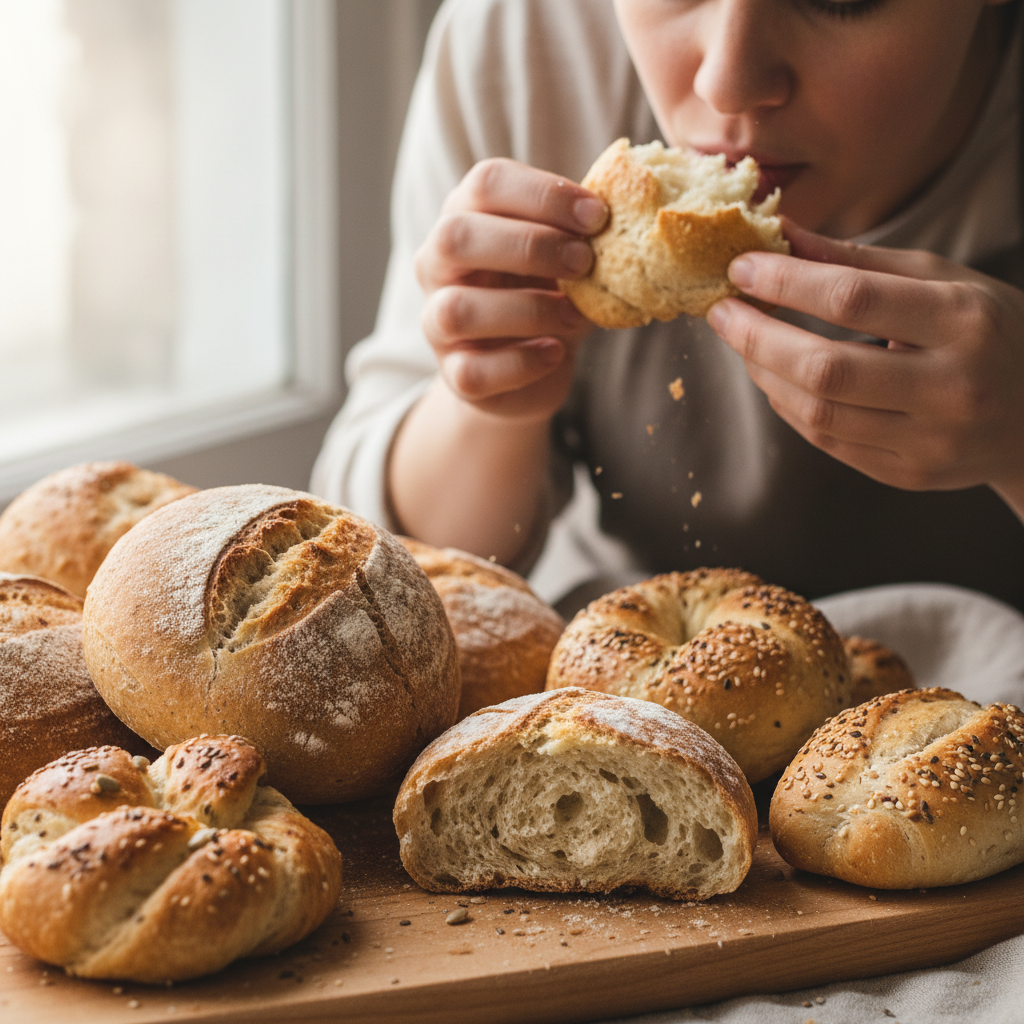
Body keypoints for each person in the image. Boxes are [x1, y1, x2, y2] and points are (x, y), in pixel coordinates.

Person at [312, 0, 1024, 616]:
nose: (729, 82)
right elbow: (384, 566)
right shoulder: (531, 48)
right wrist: (490, 393)